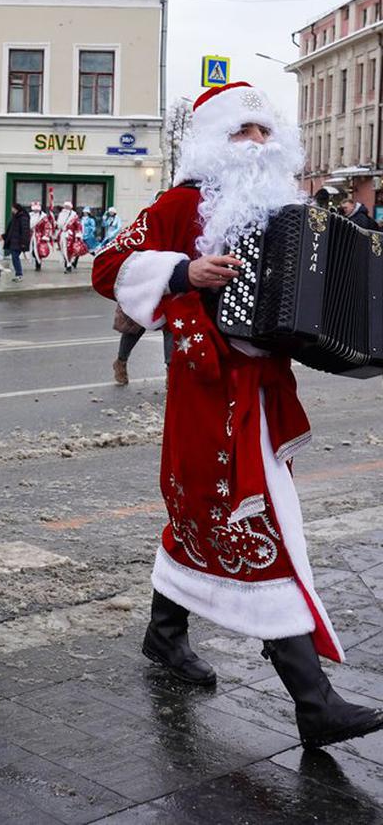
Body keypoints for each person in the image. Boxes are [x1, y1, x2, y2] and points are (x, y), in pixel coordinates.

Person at [93, 81, 383, 750]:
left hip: (260, 389)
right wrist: (182, 274)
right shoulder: (181, 203)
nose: (255, 144)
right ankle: (314, 704)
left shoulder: (290, 209)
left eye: (262, 132)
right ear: (212, 142)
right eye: (240, 132)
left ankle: (164, 633)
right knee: (260, 526)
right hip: (208, 393)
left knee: (202, 517)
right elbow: (108, 265)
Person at [1, 201, 31, 280]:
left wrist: (24, 243)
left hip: (18, 242)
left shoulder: (22, 217)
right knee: (14, 258)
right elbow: (10, 229)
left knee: (15, 257)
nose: (11, 210)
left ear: (16, 209)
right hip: (14, 241)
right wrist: (4, 236)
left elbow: (25, 231)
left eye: (13, 208)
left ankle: (19, 274)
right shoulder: (15, 217)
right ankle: (18, 274)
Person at [56, 201, 85, 272]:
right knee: (63, 250)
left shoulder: (74, 216)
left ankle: (68, 265)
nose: (66, 208)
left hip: (69, 235)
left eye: (68, 207)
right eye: (65, 206)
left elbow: (78, 226)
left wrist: (78, 234)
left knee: (68, 250)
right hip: (61, 234)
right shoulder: (61, 214)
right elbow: (58, 225)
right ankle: (67, 263)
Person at [28, 201, 51, 271]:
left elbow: (47, 227)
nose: (35, 210)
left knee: (38, 250)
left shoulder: (43, 217)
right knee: (32, 250)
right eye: (34, 209)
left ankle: (38, 264)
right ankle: (37, 262)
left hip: (39, 236)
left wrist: (45, 236)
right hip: (31, 235)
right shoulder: (29, 215)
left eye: (37, 209)